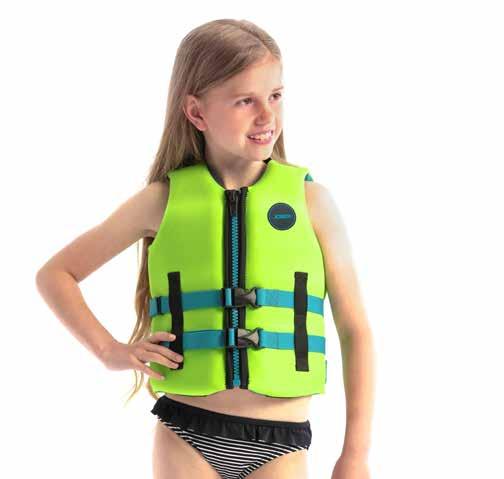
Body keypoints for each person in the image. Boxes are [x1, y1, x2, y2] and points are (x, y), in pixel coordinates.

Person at [35, 18, 374, 479]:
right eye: (245, 101)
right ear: (196, 112)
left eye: (275, 96)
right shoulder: (162, 200)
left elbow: (355, 330)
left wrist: (355, 455)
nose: (267, 116)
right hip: (186, 432)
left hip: (281, 442)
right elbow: (56, 275)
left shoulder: (311, 202)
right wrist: (109, 350)